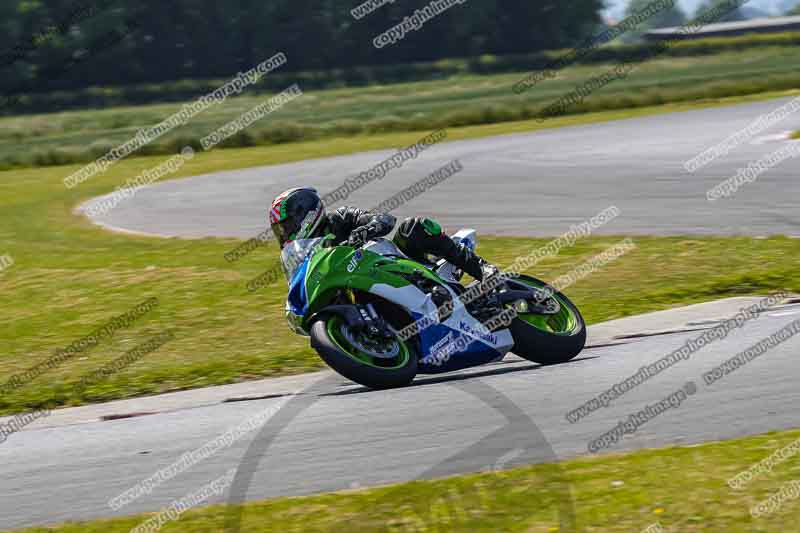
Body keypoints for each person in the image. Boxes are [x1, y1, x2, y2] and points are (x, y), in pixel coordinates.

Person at [269, 187, 493, 280]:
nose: (286, 233)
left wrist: (364, 231)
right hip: (357, 281)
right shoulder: (304, 251)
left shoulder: (341, 217)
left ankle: (482, 268)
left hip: (393, 264)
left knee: (413, 226)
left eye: (287, 225)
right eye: (281, 229)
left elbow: (385, 219)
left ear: (305, 213)